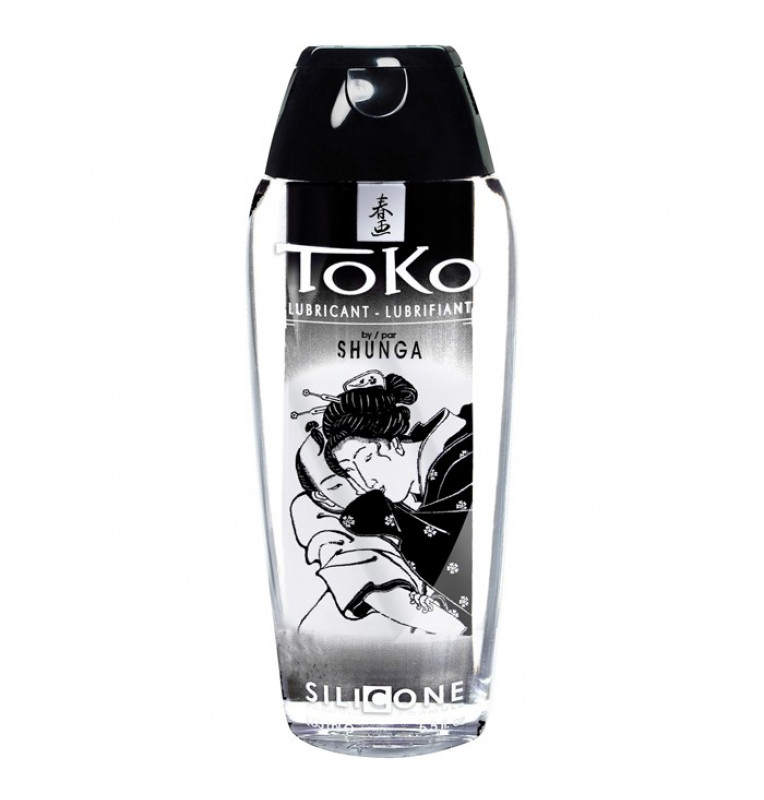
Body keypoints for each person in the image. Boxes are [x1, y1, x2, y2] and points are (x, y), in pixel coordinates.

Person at [321, 372, 473, 628]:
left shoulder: (462, 458)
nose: (364, 482)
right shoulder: (415, 494)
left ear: (395, 443)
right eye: (349, 470)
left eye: (366, 458)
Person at [289, 421, 465, 636]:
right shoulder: (331, 533)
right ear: (321, 498)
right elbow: (387, 598)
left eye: (358, 467)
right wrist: (458, 627)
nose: (359, 485)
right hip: (354, 644)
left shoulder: (401, 495)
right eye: (337, 485)